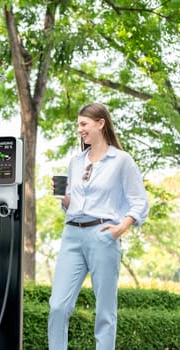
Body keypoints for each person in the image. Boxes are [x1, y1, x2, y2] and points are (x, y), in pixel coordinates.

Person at [48, 103, 149, 350]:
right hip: (72, 234)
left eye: (84, 124)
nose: (79, 130)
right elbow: (72, 204)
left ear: (100, 123)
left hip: (102, 235)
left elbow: (140, 202)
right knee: (58, 305)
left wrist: (120, 228)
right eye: (78, 125)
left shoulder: (121, 160)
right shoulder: (76, 161)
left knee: (105, 310)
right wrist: (64, 198)